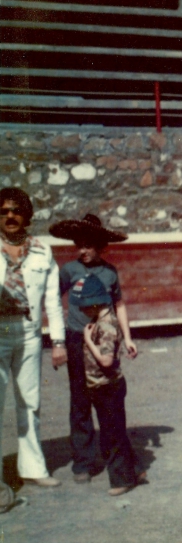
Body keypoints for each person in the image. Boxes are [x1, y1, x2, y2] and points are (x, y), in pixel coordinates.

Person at [52, 214, 137, 484]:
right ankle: (84, 461)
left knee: (107, 397)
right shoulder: (69, 270)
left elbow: (119, 305)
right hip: (77, 338)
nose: (83, 251)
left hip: (103, 341)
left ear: (101, 246)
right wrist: (58, 340)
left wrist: (128, 336)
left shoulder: (109, 273)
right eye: (79, 245)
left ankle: (115, 456)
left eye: (89, 246)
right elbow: (53, 299)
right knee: (80, 399)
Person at [0, 186, 67, 488]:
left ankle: (33, 467)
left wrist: (59, 342)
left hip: (28, 333)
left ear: (26, 215)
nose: (10, 216)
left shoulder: (42, 250)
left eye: (16, 210)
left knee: (30, 401)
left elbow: (52, 301)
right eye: (3, 211)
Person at [74, 276, 144, 496]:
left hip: (107, 387)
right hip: (105, 386)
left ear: (94, 303)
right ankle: (136, 469)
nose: (81, 311)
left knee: (110, 435)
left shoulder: (105, 325)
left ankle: (122, 480)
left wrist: (87, 341)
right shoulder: (104, 320)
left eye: (83, 306)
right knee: (116, 431)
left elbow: (105, 360)